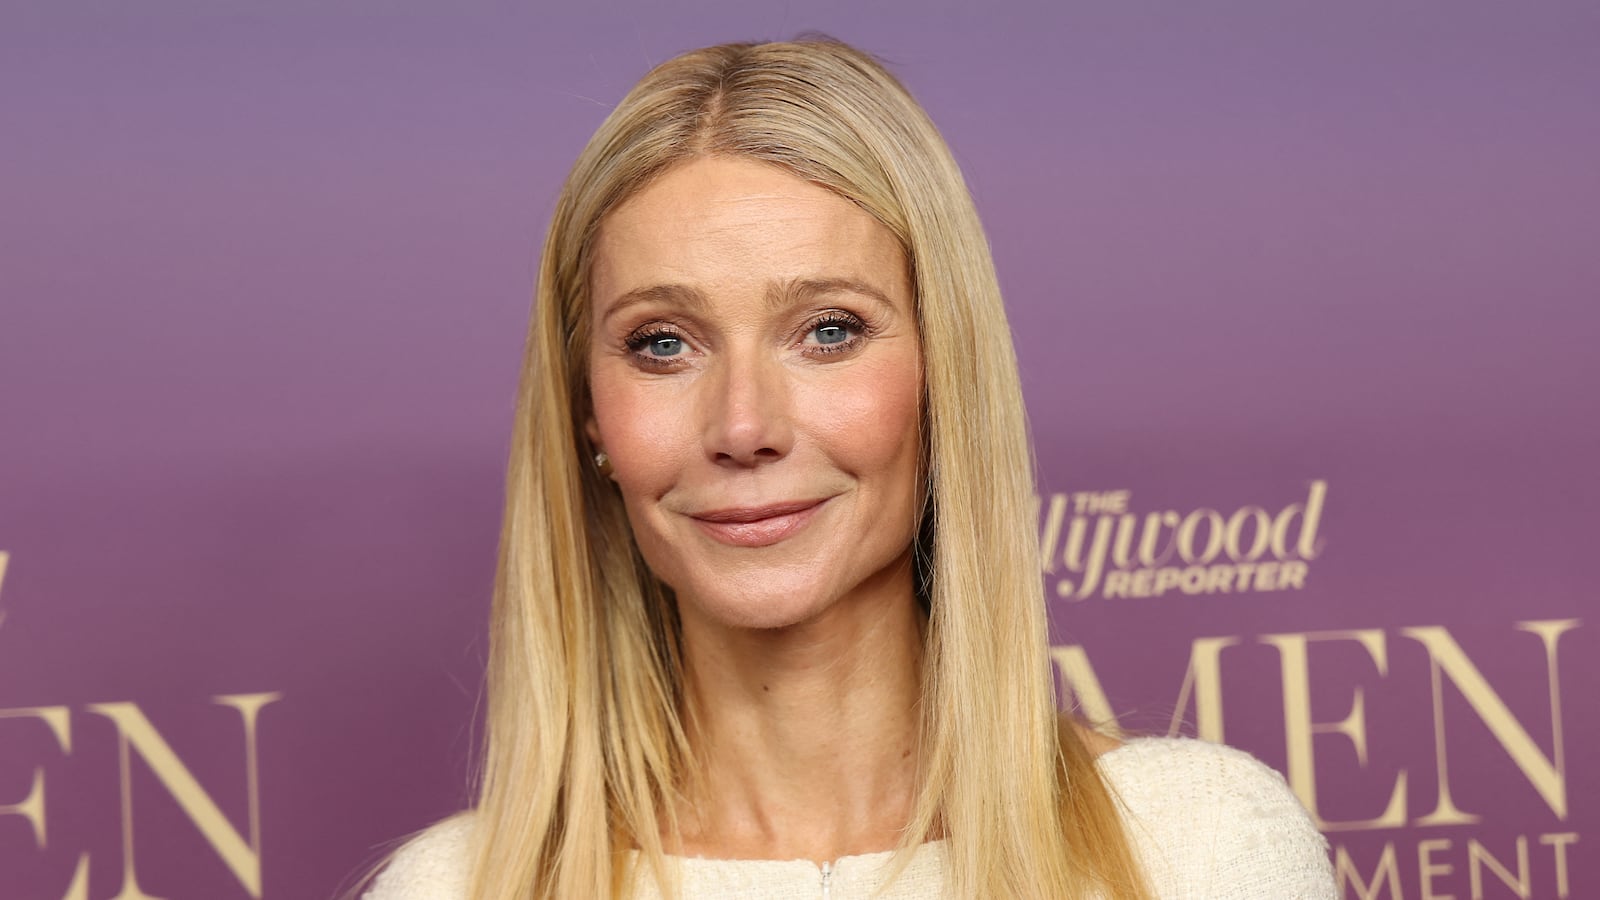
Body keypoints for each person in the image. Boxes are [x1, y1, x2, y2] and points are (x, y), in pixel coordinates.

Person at [362, 37, 1337, 899]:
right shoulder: (452, 890)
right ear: (588, 414)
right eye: (663, 343)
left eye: (828, 331)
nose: (743, 425)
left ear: (944, 376)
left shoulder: (1198, 847)